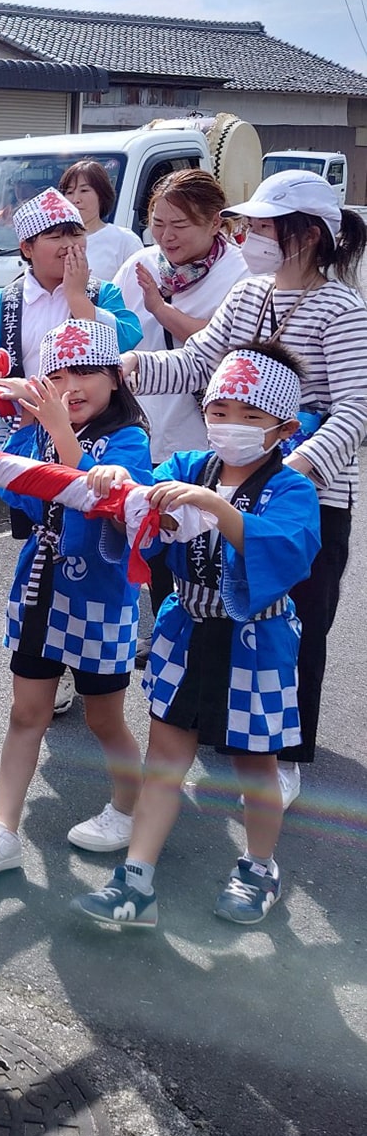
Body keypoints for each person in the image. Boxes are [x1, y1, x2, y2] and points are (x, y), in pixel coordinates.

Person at [122, 169, 367, 802]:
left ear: (308, 234)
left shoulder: (342, 309)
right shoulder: (249, 295)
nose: (250, 235)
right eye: (250, 224)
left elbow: (354, 412)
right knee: (219, 610)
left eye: (262, 226)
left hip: (305, 495)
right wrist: (126, 368)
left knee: (295, 623)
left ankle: (284, 753)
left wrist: (289, 473)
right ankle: (220, 731)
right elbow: (199, 362)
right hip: (230, 483)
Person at [74, 343, 321, 929]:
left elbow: (287, 551)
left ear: (282, 428)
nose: (229, 426)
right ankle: (136, 881)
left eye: (249, 416)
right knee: (166, 757)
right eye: (219, 411)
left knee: (254, 764)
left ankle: (260, 866)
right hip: (185, 626)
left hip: (255, 640)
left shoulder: (292, 490)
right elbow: (142, 505)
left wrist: (218, 509)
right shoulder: (187, 466)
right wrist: (119, 487)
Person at [0, 319, 152, 875]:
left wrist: (60, 431)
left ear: (116, 377)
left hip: (102, 597)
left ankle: (127, 807)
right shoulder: (41, 432)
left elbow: (101, 501)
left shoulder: (129, 440)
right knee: (26, 713)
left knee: (103, 718)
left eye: (87, 371)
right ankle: (1, 830)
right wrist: (23, 419)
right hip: (42, 584)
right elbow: (9, 483)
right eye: (58, 375)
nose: (73, 386)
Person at [112, 170, 250, 636]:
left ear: (216, 223)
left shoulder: (241, 272)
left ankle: (204, 630)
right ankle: (163, 628)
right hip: (141, 418)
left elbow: (222, 348)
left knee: (198, 534)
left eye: (181, 225)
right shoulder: (141, 262)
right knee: (150, 528)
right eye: (158, 221)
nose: (166, 236)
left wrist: (162, 309)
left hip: (202, 425)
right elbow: (113, 324)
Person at [0, 186, 142, 382]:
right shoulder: (0, 305)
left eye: (77, 235)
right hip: (20, 410)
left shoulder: (104, 293)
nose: (69, 244)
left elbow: (127, 342)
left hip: (86, 411)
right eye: (55, 237)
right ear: (27, 248)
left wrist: (77, 298)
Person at [59, 158, 142, 280]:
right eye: (70, 192)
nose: (76, 199)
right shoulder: (54, 240)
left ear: (101, 195)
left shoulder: (125, 240)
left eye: (84, 190)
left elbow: (138, 292)